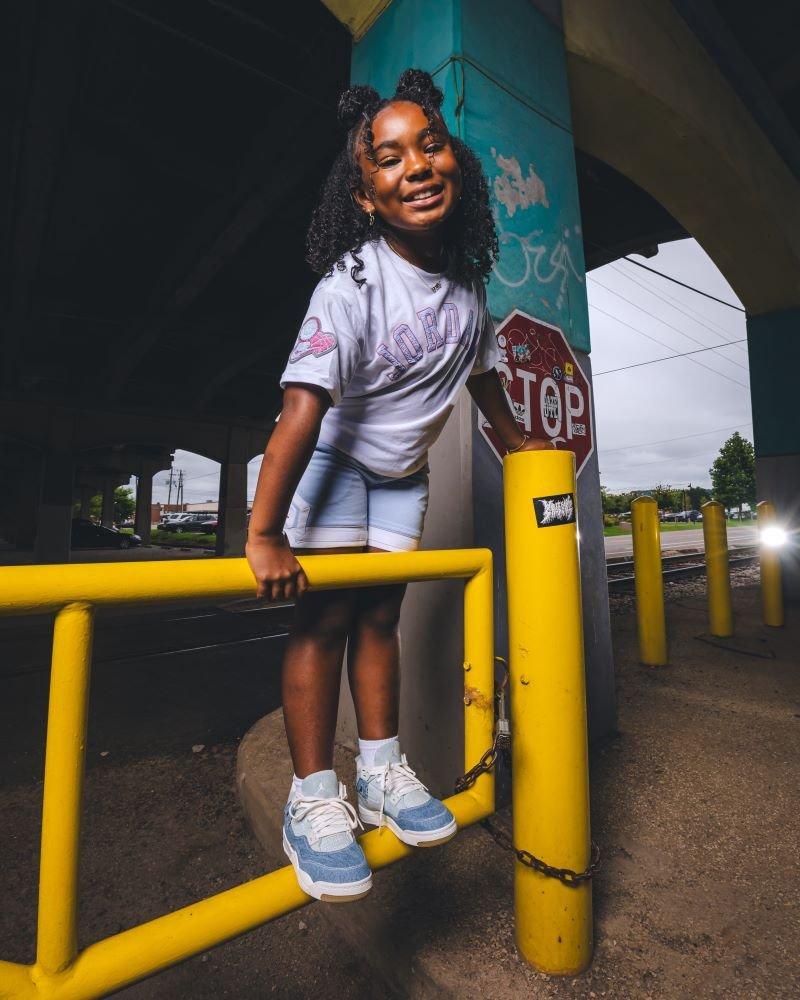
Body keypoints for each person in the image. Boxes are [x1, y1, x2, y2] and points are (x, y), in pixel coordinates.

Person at [246, 69, 555, 903]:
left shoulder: (468, 287)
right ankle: (312, 799)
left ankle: (381, 772)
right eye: (389, 158)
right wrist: (265, 533)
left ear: (455, 163)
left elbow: (482, 379)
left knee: (381, 617)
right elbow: (300, 416)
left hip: (402, 478)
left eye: (431, 144)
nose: (416, 165)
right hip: (338, 469)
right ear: (368, 197)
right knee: (324, 622)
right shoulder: (349, 285)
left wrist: (523, 442)